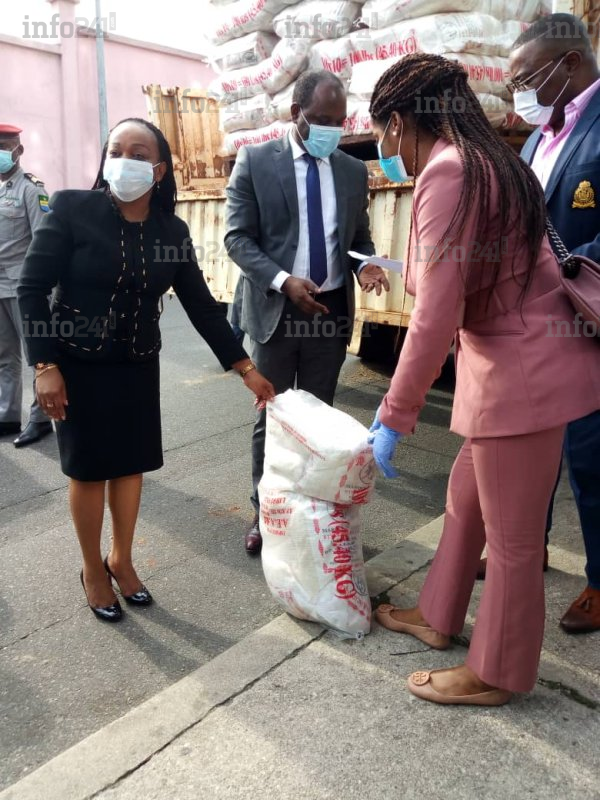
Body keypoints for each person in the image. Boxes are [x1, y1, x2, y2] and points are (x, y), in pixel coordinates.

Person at [367, 53, 600, 706]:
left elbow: (436, 313)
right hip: (519, 369)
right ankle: (437, 615)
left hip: (517, 380)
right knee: (464, 501)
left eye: (383, 133)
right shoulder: (496, 161)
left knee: (514, 543)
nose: (386, 150)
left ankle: (496, 672)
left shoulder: (449, 171)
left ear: (401, 121)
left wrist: (394, 413)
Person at [18, 118, 275, 622]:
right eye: (116, 151)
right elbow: (31, 288)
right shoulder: (72, 209)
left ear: (158, 170)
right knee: (89, 470)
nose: (124, 161)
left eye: (138, 154)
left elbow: (202, 307)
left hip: (136, 364)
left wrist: (246, 367)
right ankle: (92, 568)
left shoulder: (170, 232)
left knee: (130, 465)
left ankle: (122, 559)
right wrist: (44, 364)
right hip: (77, 364)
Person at [224, 69, 388, 555]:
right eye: (322, 119)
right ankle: (265, 512)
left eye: (339, 121)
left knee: (319, 421)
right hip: (277, 309)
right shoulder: (256, 161)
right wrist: (282, 280)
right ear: (296, 114)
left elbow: (358, 238)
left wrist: (365, 267)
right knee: (274, 418)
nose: (331, 130)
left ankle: (310, 509)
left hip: (328, 313)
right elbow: (237, 238)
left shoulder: (352, 171)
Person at [499, 13, 600, 635]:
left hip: (587, 323)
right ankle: (526, 550)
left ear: (568, 64)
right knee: (532, 447)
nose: (521, 95)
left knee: (591, 457)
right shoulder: (540, 138)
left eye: (526, 79)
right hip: (533, 325)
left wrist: (565, 272)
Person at [0, 124, 53, 447]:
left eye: (4, 147)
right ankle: (7, 415)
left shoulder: (32, 190)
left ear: (18, 151)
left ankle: (41, 418)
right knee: (5, 355)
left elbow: (43, 242)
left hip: (23, 286)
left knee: (38, 354)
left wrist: (43, 287)